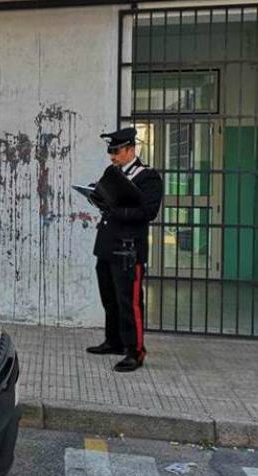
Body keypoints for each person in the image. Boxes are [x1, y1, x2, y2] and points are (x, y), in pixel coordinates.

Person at [86, 127, 163, 372]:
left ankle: (135, 351)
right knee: (109, 298)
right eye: (111, 152)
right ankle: (114, 341)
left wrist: (115, 210)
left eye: (116, 151)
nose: (112, 156)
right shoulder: (113, 173)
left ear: (130, 149)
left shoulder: (147, 177)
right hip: (108, 244)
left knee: (130, 302)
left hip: (128, 249)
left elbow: (148, 212)